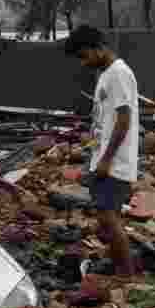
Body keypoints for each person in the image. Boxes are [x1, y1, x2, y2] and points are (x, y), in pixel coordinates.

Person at [61, 24, 139, 277]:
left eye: (83, 56)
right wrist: (92, 149)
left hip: (115, 162)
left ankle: (127, 275)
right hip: (103, 158)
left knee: (108, 217)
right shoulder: (106, 75)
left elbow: (124, 119)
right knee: (108, 216)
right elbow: (104, 121)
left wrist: (106, 159)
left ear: (98, 47)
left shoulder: (118, 73)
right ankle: (119, 269)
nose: (83, 63)